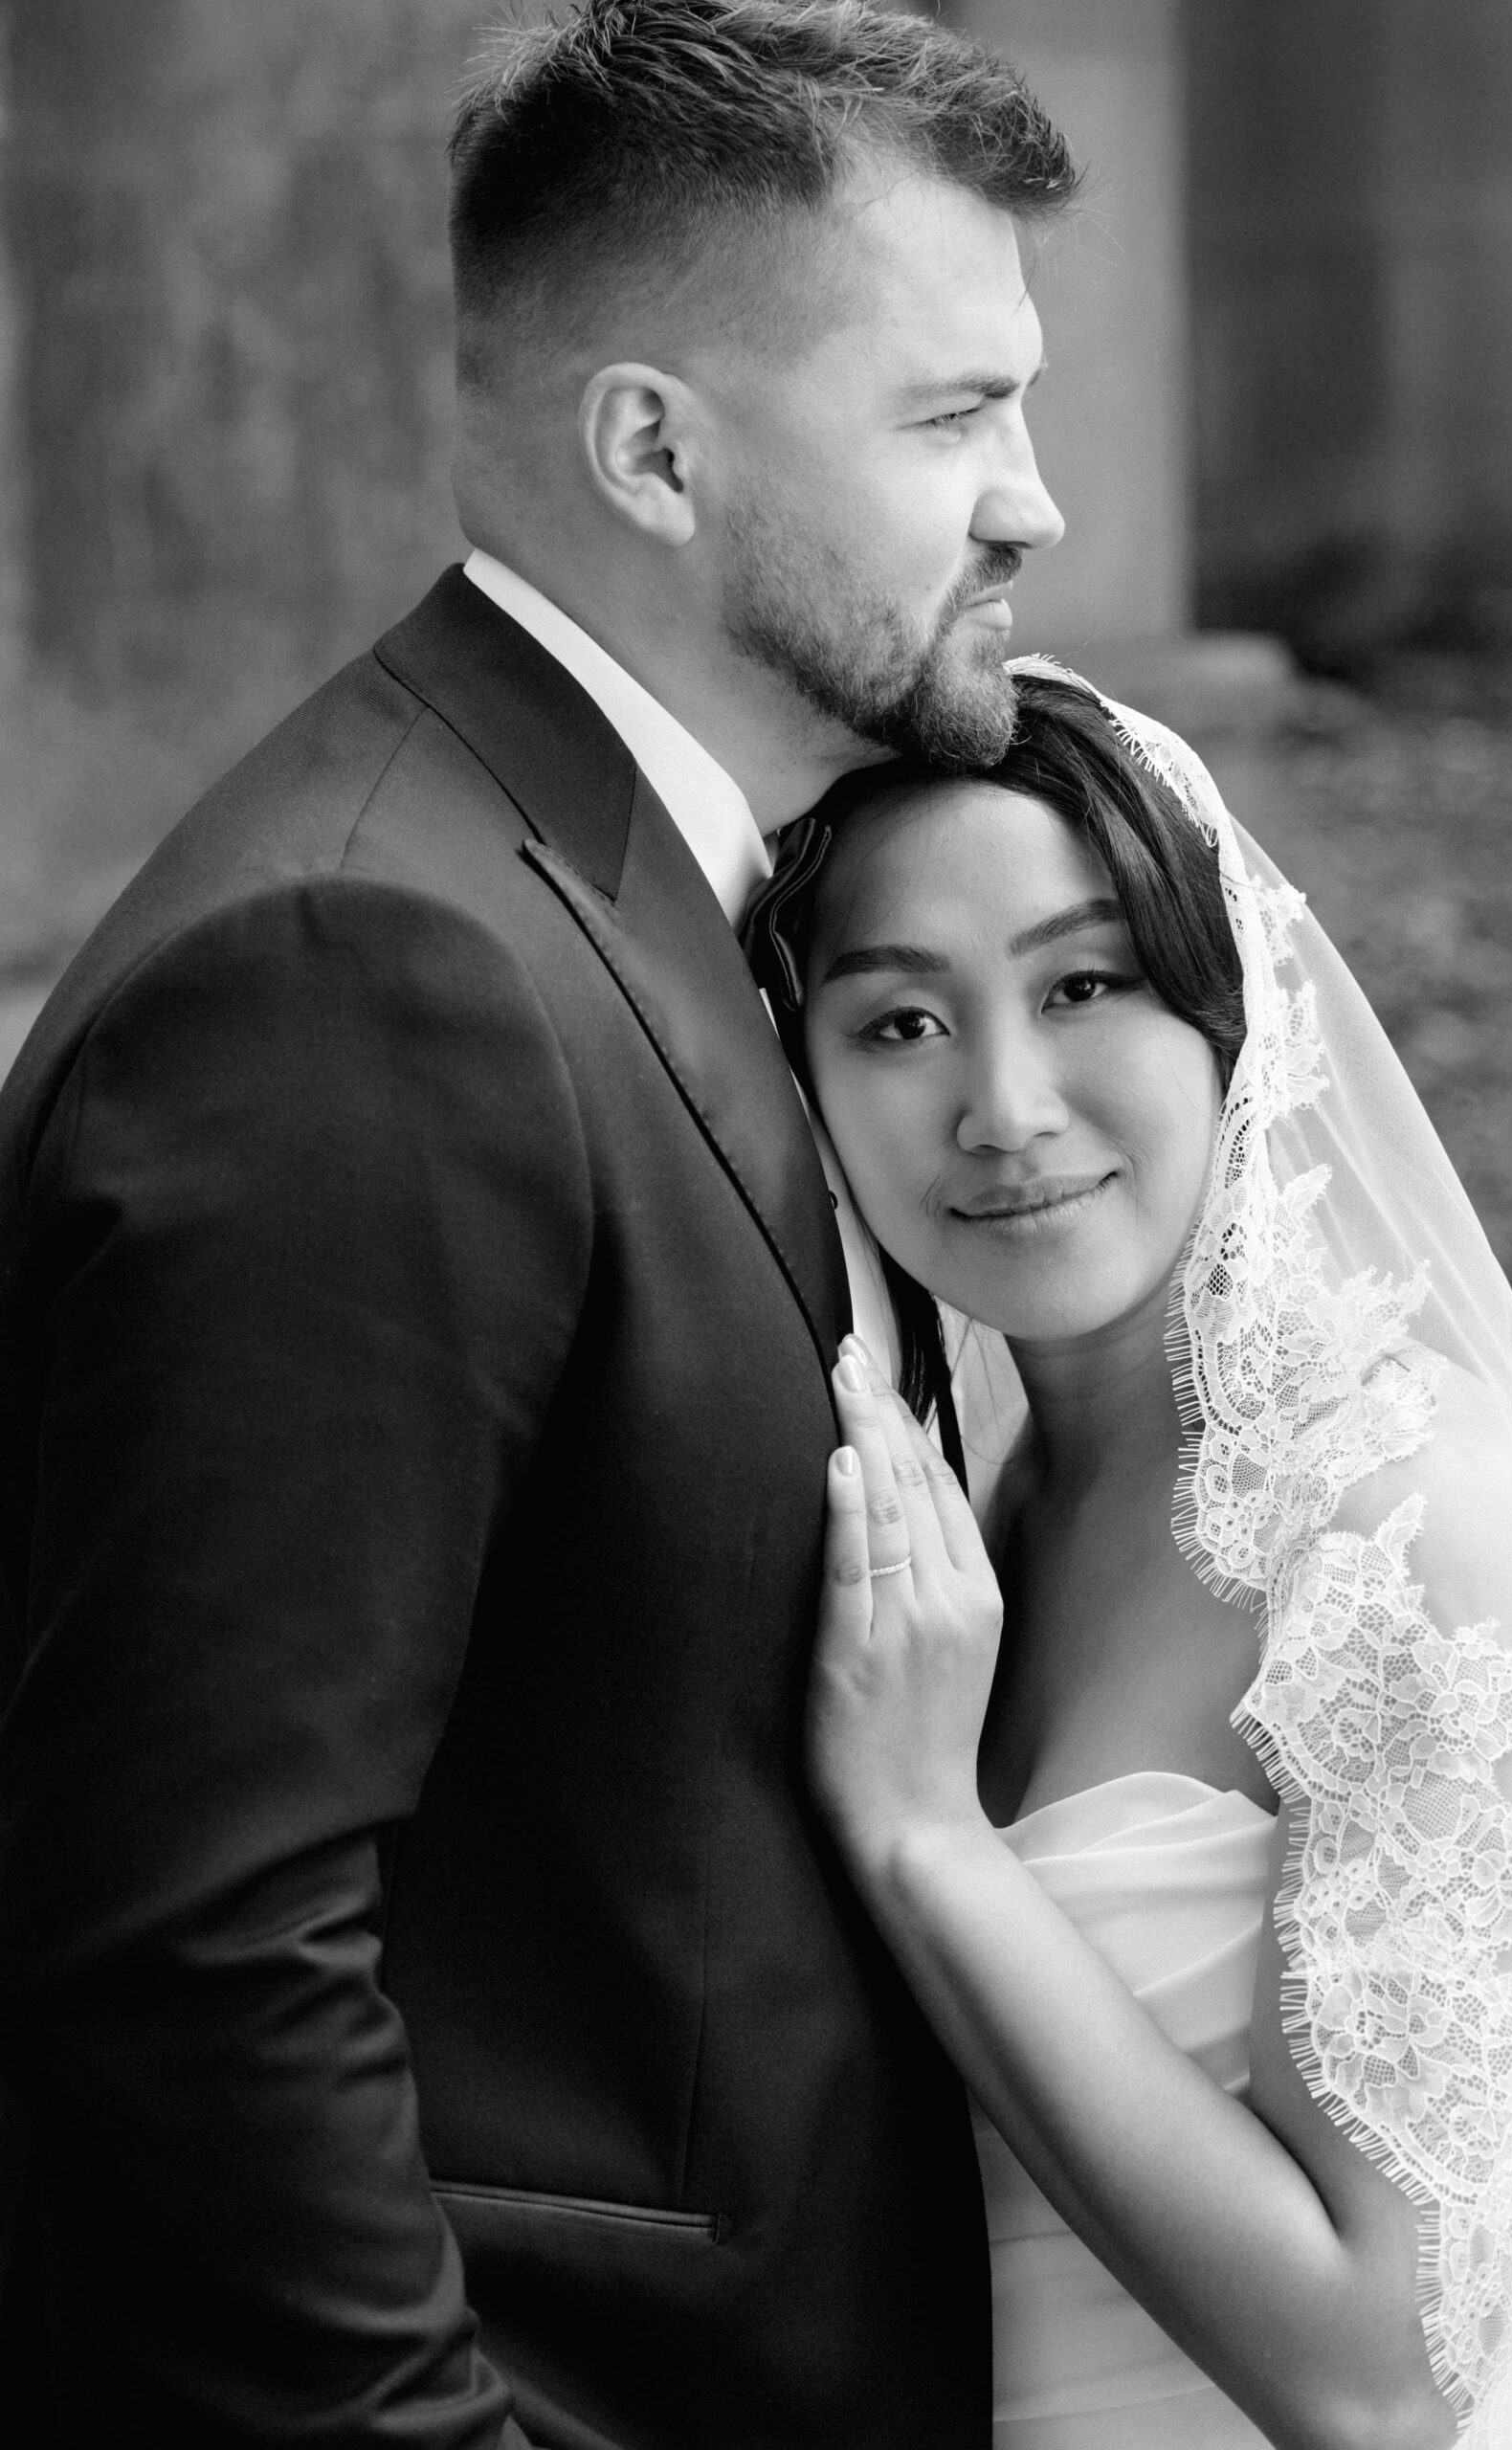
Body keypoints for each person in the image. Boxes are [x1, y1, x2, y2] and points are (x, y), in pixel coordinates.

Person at [0, 7, 1076, 2442]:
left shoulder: (648, 886)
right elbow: (192, 1944)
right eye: (948, 414)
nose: (1030, 500)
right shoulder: (364, 977)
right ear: (655, 451)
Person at [746, 668, 1512, 2446]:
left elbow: (1382, 2384)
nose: (1004, 1105)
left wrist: (926, 1835)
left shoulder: (1406, 1525)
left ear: (1233, 1020)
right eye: (900, 1024)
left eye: (1085, 987)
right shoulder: (951, 1488)